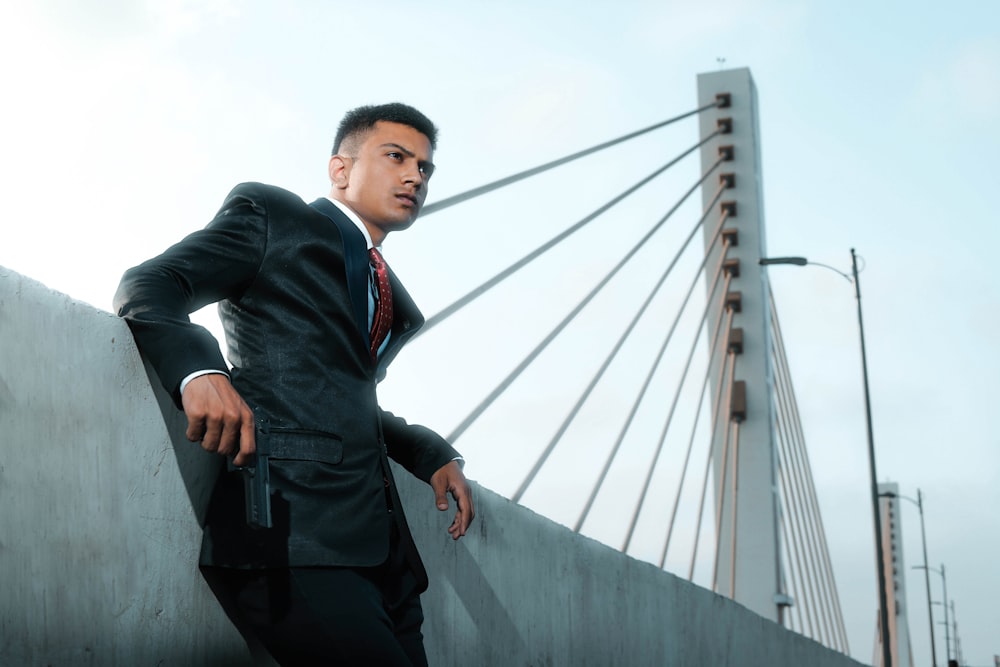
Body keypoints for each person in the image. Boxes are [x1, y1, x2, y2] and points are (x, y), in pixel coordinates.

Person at [114, 102, 474, 666]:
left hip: (385, 560)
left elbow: (332, 394)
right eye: (397, 157)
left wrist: (426, 451)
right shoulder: (274, 219)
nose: (415, 177)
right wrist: (199, 371)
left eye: (425, 169)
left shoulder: (389, 295)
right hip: (290, 537)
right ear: (340, 170)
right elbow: (150, 285)